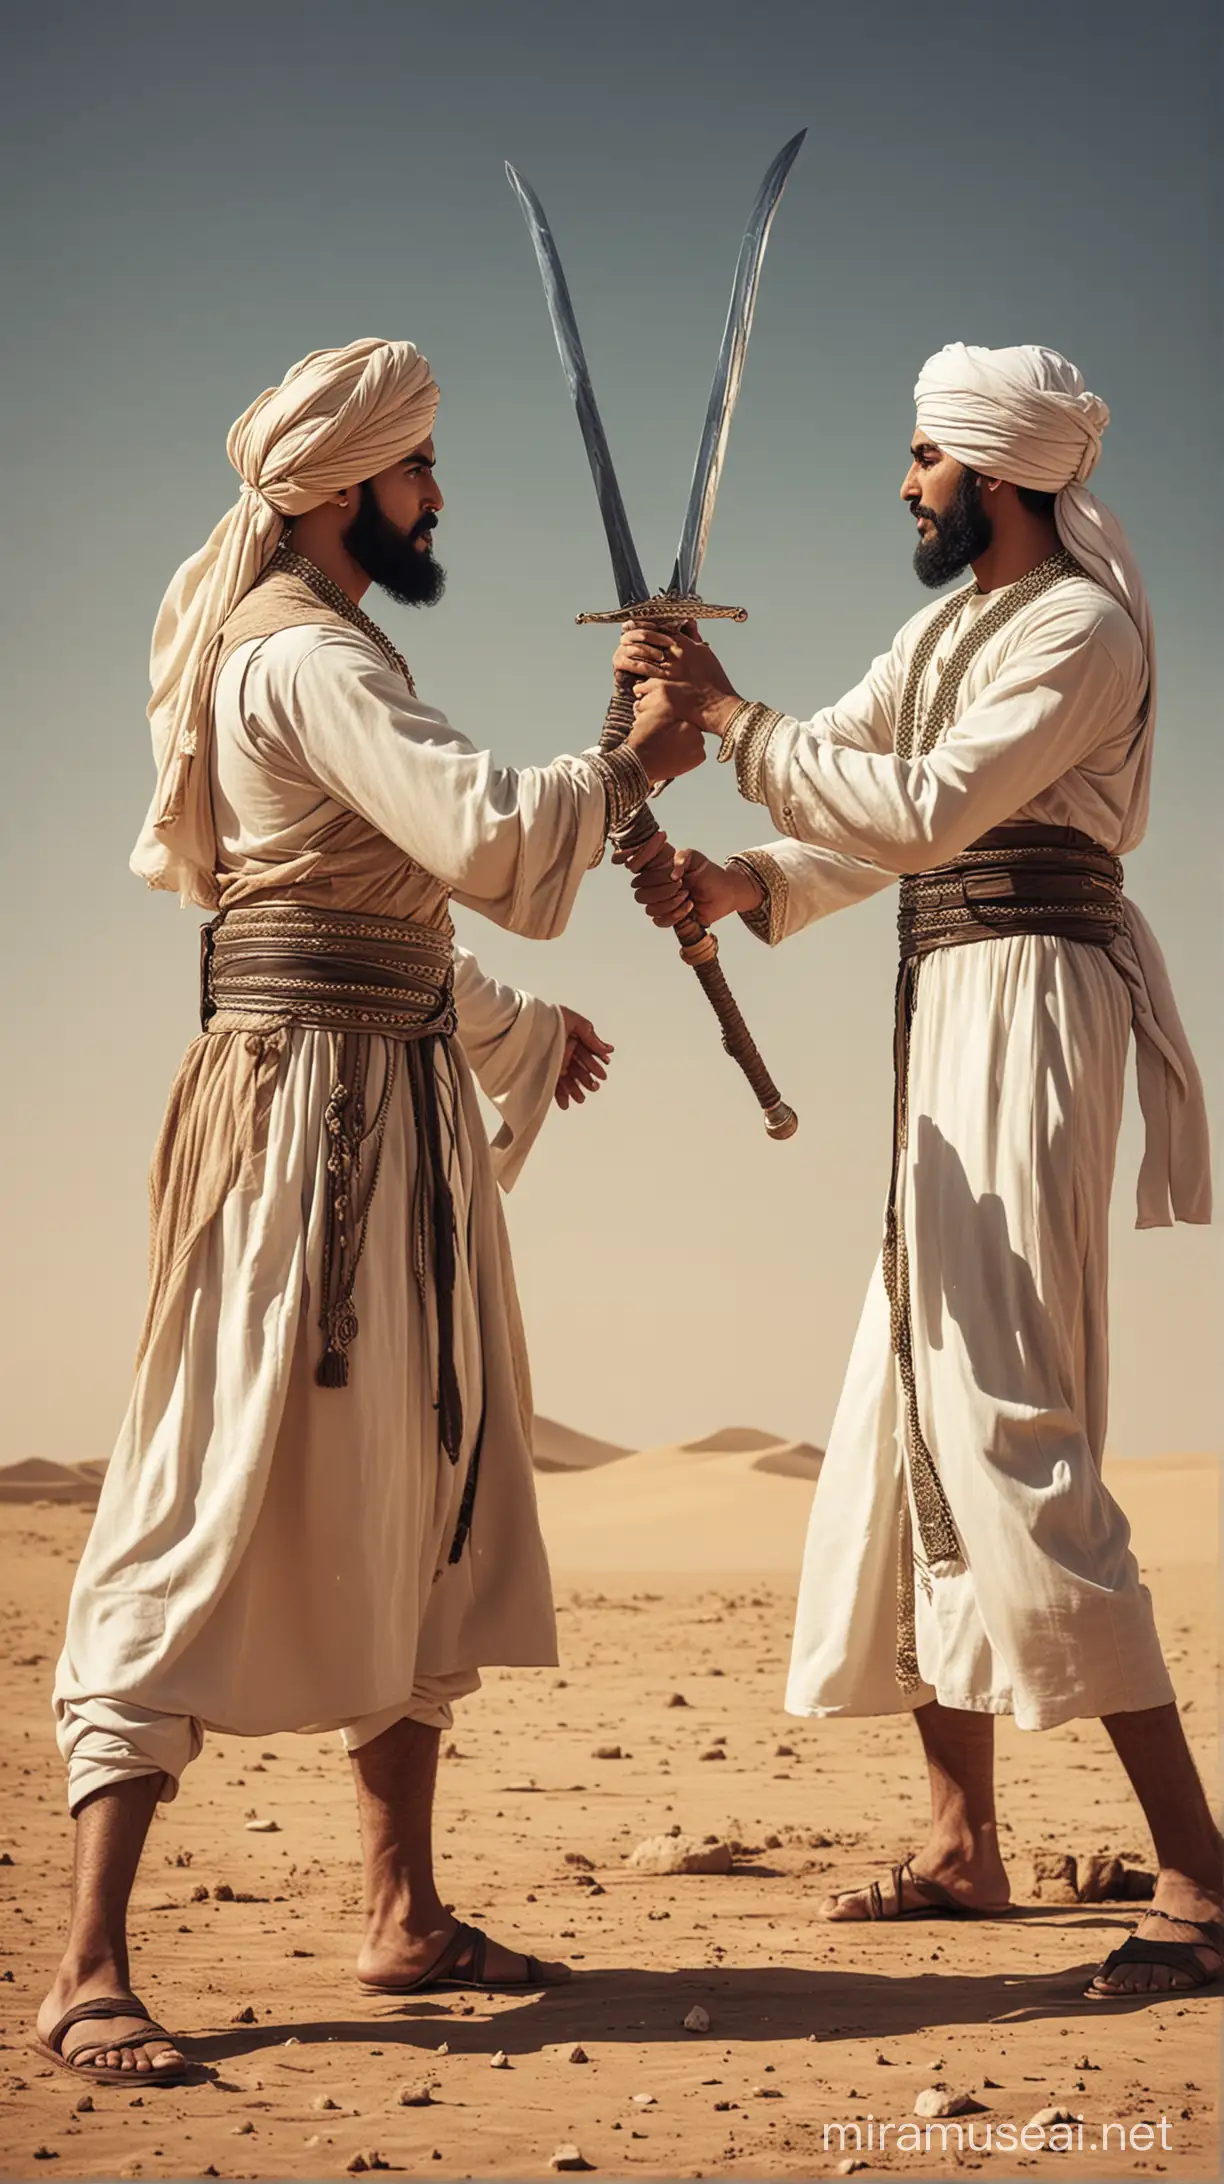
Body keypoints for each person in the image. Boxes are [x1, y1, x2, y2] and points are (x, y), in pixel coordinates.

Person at [37, 336, 704, 2085]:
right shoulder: (300, 659)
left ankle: (402, 1911)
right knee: (199, 1492)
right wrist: (638, 755)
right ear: (346, 491)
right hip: (303, 1146)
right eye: (417, 474)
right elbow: (487, 834)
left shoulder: (335, 653)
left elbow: (389, 912)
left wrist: (516, 1036)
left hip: (392, 1111)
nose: (435, 500)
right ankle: (88, 1964)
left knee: (427, 1493)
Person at [613, 343, 1219, 2002]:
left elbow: (933, 804)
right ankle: (965, 1840)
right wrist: (740, 877)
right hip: (943, 997)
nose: (906, 483)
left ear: (1006, 478)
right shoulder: (947, 627)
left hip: (1032, 1002)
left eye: (927, 458)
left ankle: (1201, 1876)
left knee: (1003, 1411)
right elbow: (859, 804)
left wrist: (728, 720)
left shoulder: (1080, 630)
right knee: (909, 1407)